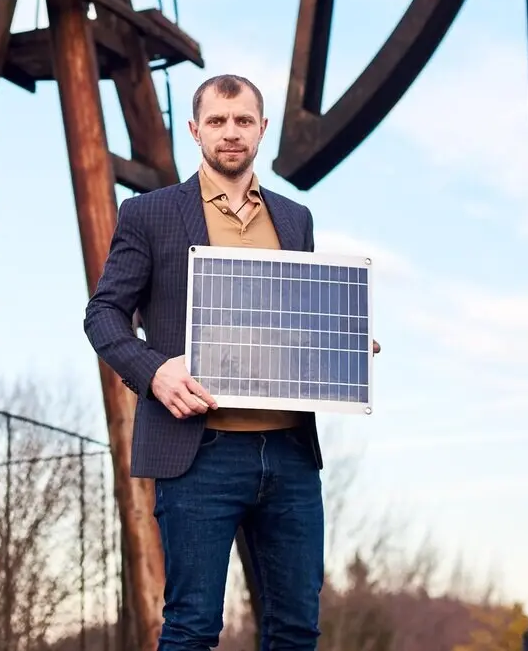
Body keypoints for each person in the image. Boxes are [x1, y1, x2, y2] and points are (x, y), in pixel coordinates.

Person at [84, 73, 378, 651]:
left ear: (262, 129)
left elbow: (291, 316)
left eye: (243, 120)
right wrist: (153, 372)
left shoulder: (295, 220)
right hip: (201, 454)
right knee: (193, 627)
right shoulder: (149, 214)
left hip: (291, 456)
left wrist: (340, 342)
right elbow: (103, 315)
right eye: (217, 121)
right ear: (195, 131)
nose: (231, 132)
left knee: (296, 630)